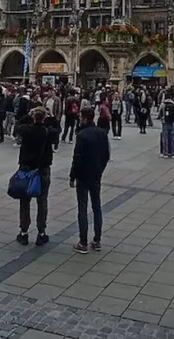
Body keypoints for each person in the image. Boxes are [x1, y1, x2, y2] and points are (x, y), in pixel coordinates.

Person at [14, 107, 59, 246]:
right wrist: (51, 117)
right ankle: (41, 232)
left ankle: (24, 232)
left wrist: (28, 115)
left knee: (25, 201)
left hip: (26, 169)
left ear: (33, 117)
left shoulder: (27, 130)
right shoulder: (48, 132)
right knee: (42, 201)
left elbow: (17, 126)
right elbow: (58, 130)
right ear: (44, 118)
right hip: (42, 169)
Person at [70, 106, 110, 254]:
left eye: (81, 117)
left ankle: (83, 241)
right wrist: (100, 169)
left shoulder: (82, 135)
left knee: (82, 207)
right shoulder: (101, 133)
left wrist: (72, 175)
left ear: (85, 118)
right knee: (96, 206)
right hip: (96, 174)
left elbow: (77, 157)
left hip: (83, 175)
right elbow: (106, 155)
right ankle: (97, 240)